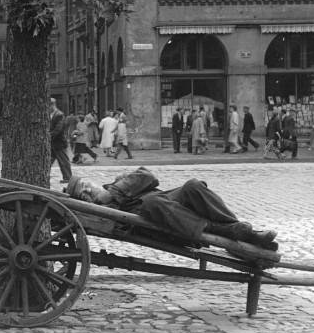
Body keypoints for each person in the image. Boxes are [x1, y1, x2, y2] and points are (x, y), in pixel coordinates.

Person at [65, 167, 277, 249]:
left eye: (87, 186)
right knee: (151, 203)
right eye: (83, 195)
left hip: (168, 202)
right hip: (152, 221)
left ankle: (241, 231)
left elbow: (148, 176)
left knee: (193, 185)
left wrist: (113, 191)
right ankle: (229, 232)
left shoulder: (115, 185)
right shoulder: (100, 213)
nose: (89, 191)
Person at [48, 97, 73, 183]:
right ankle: (45, 175)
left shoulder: (59, 114)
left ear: (52, 105)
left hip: (59, 142)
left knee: (63, 161)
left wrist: (48, 138)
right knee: (48, 160)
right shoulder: (53, 114)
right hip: (53, 143)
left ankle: (68, 177)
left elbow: (58, 129)